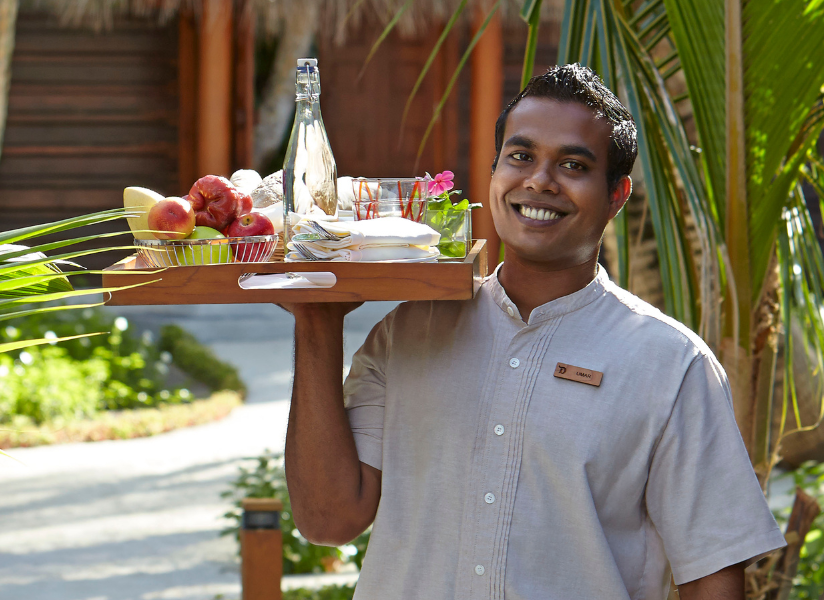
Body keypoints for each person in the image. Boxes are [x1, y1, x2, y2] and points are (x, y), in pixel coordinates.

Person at [281, 64, 785, 599]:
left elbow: (712, 576)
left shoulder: (670, 364)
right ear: (494, 170)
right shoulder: (407, 331)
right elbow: (326, 520)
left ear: (617, 194)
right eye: (520, 157)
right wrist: (318, 325)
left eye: (573, 164)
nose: (539, 181)